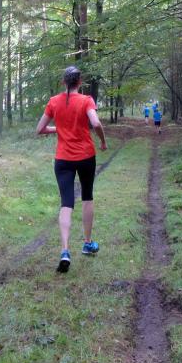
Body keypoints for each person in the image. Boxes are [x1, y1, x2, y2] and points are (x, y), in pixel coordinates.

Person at [36, 66, 107, 273]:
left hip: (63, 159)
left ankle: (65, 251)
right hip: (86, 156)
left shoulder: (53, 102)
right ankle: (87, 243)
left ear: (63, 82)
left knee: (66, 203)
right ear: (80, 82)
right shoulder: (86, 100)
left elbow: (39, 129)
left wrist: (58, 129)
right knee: (87, 197)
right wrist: (102, 141)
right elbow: (96, 123)